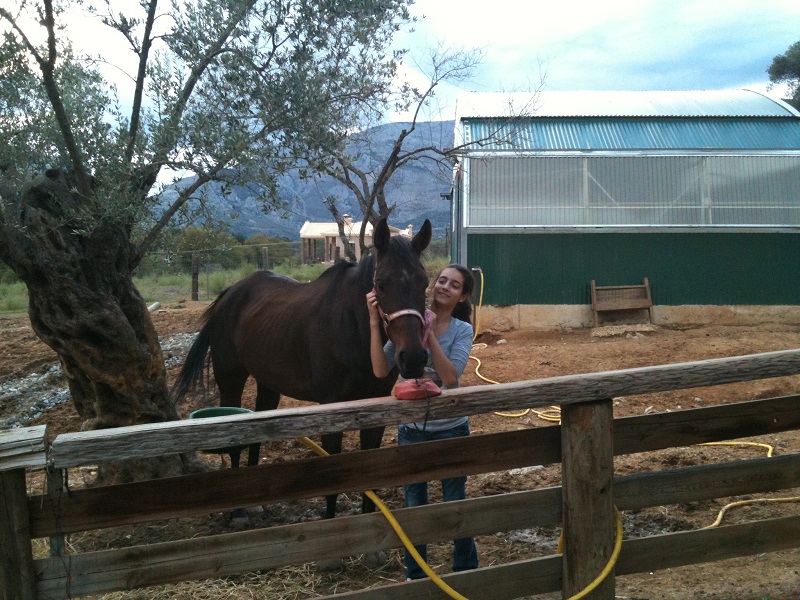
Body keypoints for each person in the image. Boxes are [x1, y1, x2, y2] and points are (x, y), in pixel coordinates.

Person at [366, 263, 479, 580]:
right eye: (441, 280)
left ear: (463, 295)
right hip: (412, 430)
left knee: (455, 502)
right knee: (415, 505)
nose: (444, 286)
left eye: (454, 285)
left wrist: (427, 336)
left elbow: (449, 377)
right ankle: (416, 576)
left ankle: (466, 570)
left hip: (452, 429)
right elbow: (379, 369)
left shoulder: (462, 330)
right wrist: (376, 323)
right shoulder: (408, 322)